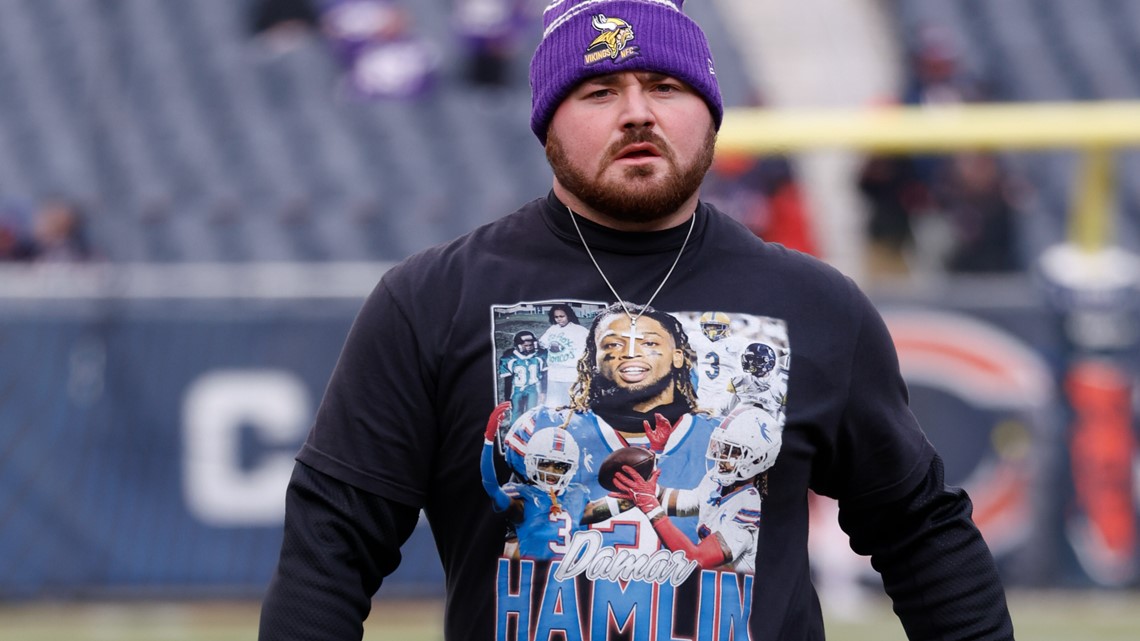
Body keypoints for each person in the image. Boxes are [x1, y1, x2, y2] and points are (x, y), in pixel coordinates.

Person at [259, 1, 1015, 640]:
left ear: (710, 112)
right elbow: (332, 545)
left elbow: (923, 535)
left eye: (664, 84)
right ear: (547, 122)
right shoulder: (432, 299)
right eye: (598, 91)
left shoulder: (816, 304)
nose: (638, 111)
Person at [536, 303, 589, 407]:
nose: (559, 319)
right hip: (554, 372)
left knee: (571, 402)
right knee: (554, 403)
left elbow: (589, 347)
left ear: (568, 315)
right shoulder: (552, 329)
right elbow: (542, 344)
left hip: (571, 372)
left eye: (562, 316)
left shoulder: (579, 330)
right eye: (556, 317)